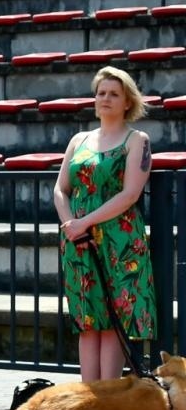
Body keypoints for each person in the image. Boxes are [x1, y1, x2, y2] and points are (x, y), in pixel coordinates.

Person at [52, 66, 156, 382]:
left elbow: (130, 194)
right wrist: (71, 225)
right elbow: (60, 189)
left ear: (128, 101)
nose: (106, 98)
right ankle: (89, 397)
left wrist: (84, 222)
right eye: (101, 93)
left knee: (113, 319)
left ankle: (107, 398)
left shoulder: (137, 140)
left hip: (118, 240)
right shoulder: (79, 140)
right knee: (87, 319)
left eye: (114, 93)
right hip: (78, 240)